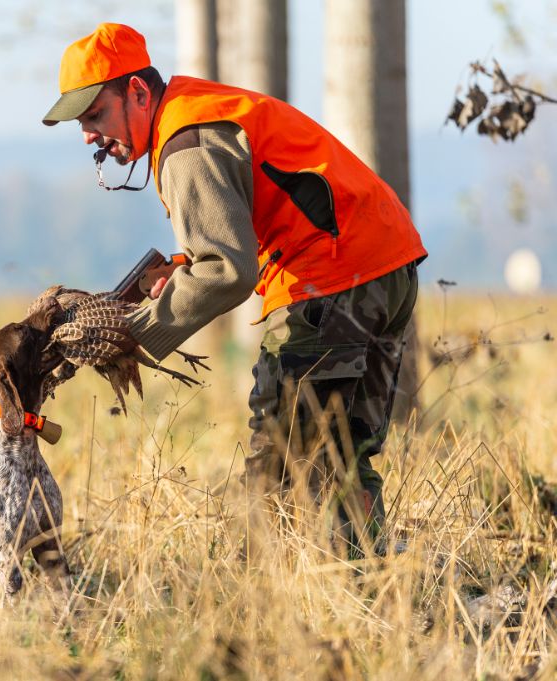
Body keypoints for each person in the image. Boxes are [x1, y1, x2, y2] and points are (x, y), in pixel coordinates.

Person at [42, 23, 427, 549]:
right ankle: (372, 591)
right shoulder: (201, 107)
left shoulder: (184, 142)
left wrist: (133, 333)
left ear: (136, 91)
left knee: (276, 465)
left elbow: (227, 268)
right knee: (341, 456)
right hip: (390, 265)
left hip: (328, 280)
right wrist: (182, 270)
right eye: (81, 123)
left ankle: (251, 605)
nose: (89, 135)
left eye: (94, 115)